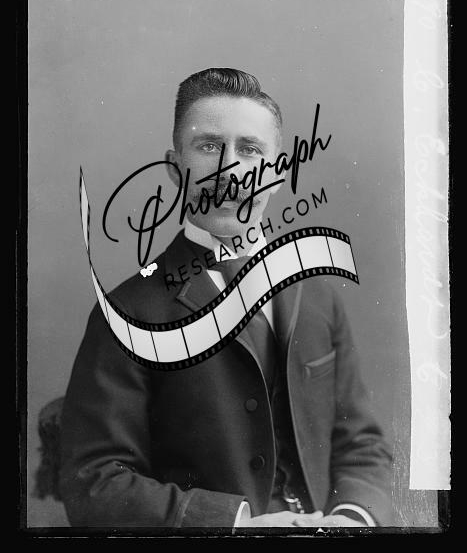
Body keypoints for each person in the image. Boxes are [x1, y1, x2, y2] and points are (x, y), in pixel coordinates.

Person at [59, 68, 393, 528]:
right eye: (209, 146)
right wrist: (235, 526)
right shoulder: (127, 314)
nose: (229, 169)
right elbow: (95, 482)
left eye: (250, 149)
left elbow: (362, 443)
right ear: (175, 167)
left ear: (278, 174)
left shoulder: (316, 293)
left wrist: (353, 518)